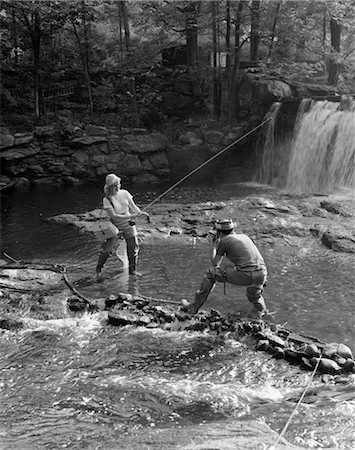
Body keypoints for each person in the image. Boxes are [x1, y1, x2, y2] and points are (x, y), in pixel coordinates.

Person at [181, 219, 268, 319]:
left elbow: (215, 264)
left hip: (246, 274)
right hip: (262, 273)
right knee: (254, 295)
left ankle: (194, 307)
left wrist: (213, 245)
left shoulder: (225, 240)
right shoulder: (244, 236)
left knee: (210, 274)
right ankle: (261, 314)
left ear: (218, 232)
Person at [95, 173, 149, 278]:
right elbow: (114, 216)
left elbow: (133, 207)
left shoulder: (125, 193)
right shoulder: (107, 199)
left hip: (128, 225)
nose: (119, 185)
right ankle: (98, 270)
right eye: (118, 183)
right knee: (107, 250)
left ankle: (132, 271)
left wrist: (140, 213)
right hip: (114, 227)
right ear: (113, 186)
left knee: (133, 247)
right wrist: (130, 216)